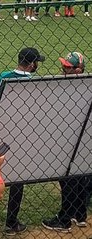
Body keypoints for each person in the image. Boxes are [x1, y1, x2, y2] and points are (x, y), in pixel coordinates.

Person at [0, 47, 45, 235]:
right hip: (23, 135)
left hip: (0, 132)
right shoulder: (35, 83)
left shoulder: (4, 76)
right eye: (36, 62)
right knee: (18, 179)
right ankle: (11, 222)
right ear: (31, 64)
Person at [42, 52, 90, 232]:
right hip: (84, 139)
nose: (63, 70)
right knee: (82, 175)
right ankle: (80, 215)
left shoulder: (67, 87)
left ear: (78, 70)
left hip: (68, 140)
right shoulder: (86, 84)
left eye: (67, 68)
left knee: (68, 178)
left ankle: (64, 220)